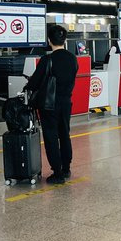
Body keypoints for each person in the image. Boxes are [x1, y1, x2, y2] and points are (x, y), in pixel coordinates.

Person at [26, 25, 78, 184]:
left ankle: (58, 172)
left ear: (49, 41)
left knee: (51, 137)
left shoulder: (47, 60)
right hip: (65, 102)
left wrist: (28, 87)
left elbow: (34, 82)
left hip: (49, 105)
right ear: (65, 40)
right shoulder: (72, 58)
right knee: (64, 135)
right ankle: (66, 168)